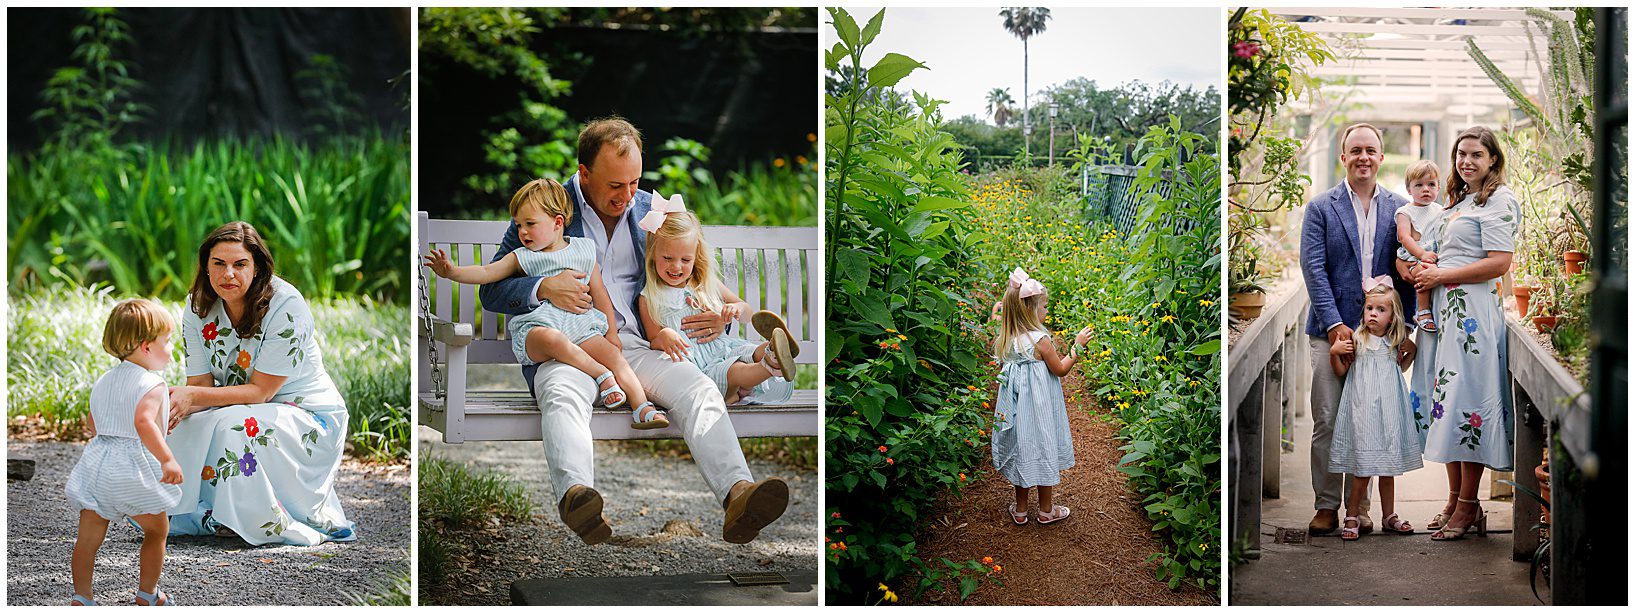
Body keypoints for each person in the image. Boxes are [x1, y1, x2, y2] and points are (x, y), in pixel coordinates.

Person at [476, 117, 788, 545]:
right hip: (571, 344)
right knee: (562, 392)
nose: (627, 196)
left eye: (634, 182)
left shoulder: (650, 212)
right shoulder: (547, 210)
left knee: (697, 388)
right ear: (584, 173)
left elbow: (691, 270)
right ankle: (577, 497)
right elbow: (493, 291)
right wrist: (541, 286)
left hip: (639, 347)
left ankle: (739, 496)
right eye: (614, 186)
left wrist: (722, 314)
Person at [166, 222, 356, 546]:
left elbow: (261, 393)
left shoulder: (287, 307)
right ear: (206, 267)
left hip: (305, 414)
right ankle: (200, 513)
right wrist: (166, 406)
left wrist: (192, 395)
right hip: (240, 406)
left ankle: (254, 519)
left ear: (256, 267)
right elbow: (199, 384)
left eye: (240, 264)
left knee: (233, 426)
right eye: (219, 264)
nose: (229, 274)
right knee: (177, 424)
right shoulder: (197, 306)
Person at [425, 178, 664, 428]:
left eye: (530, 224)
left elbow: (600, 292)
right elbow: (486, 273)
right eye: (519, 225)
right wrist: (452, 272)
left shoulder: (583, 250)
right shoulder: (521, 257)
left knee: (615, 356)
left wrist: (612, 333)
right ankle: (601, 375)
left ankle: (642, 407)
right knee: (553, 340)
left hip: (581, 327)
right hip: (537, 329)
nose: (522, 232)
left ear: (557, 222)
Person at [1299, 123, 1417, 535]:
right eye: (1355, 150)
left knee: (1369, 422)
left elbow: (1408, 272)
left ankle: (1359, 509)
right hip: (1330, 331)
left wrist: (1407, 331)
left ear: (1381, 157)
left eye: (1371, 150)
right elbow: (1314, 269)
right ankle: (1327, 505)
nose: (1363, 157)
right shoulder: (1320, 208)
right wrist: (1334, 325)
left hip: (1381, 336)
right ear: (1342, 157)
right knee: (1329, 419)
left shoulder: (1400, 209)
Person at [1414, 126, 1517, 541]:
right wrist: (1422, 271)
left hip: (1471, 314)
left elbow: (1500, 263)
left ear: (1493, 159)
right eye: (1461, 154)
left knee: (1467, 401)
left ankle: (1470, 506)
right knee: (1446, 405)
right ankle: (1456, 499)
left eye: (1476, 154)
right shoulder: (1458, 202)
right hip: (1443, 312)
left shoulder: (1499, 200)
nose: (1467, 162)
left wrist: (1442, 274)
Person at [65, 300, 185, 606]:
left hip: (99, 464)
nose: (170, 349)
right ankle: (148, 594)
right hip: (132, 468)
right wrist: (166, 458)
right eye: (166, 342)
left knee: (88, 539)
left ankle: (82, 597)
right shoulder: (152, 382)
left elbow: (95, 423)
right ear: (146, 347)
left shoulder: (104, 381)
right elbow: (144, 421)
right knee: (158, 529)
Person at [635, 200, 798, 406]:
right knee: (734, 371)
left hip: (725, 347)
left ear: (696, 257)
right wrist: (664, 335)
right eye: (667, 258)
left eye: (685, 260)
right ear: (652, 255)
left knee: (747, 352)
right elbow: (654, 340)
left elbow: (747, 313)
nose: (676, 266)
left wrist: (736, 309)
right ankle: (770, 366)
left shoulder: (703, 283)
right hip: (701, 366)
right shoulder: (649, 296)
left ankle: (772, 349)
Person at [990, 269, 1091, 525]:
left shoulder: (1008, 339)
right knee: (1044, 449)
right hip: (1041, 410)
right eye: (1044, 306)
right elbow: (1061, 369)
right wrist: (1077, 346)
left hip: (1017, 411)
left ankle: (1021, 511)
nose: (1047, 311)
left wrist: (995, 312)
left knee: (1022, 451)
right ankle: (1047, 510)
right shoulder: (1041, 340)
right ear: (1031, 310)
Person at [1327, 279, 1426, 540]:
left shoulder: (1396, 340)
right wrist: (1334, 353)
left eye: (1381, 310)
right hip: (1363, 411)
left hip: (1389, 410)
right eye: (1370, 308)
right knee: (1363, 467)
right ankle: (1351, 514)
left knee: (1388, 468)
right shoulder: (1357, 338)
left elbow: (1408, 356)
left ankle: (1389, 515)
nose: (1373, 313)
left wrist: (1402, 363)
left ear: (1393, 316)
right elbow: (1341, 370)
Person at [1396, 160, 1446, 333]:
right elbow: (1404, 237)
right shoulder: (1405, 212)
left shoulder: (1440, 210)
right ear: (1409, 190)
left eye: (1431, 184)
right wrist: (1422, 254)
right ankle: (1422, 311)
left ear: (1438, 187)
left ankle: (1434, 308)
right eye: (1419, 185)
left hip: (1434, 255)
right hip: (1414, 256)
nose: (1426, 189)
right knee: (1425, 272)